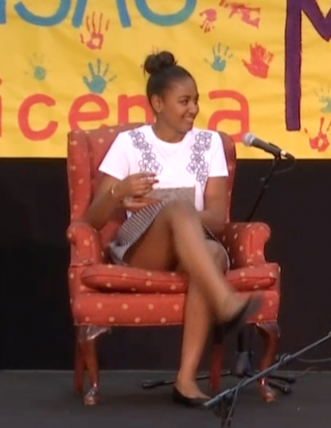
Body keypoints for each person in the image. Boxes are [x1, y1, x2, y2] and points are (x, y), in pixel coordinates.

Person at [83, 50, 261, 407]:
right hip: (143, 248)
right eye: (184, 101)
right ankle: (225, 303)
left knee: (209, 252)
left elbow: (216, 216)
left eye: (196, 100)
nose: (193, 109)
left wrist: (178, 217)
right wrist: (120, 192)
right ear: (158, 103)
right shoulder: (129, 144)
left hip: (193, 248)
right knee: (180, 209)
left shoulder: (210, 144)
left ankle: (185, 382)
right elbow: (91, 221)